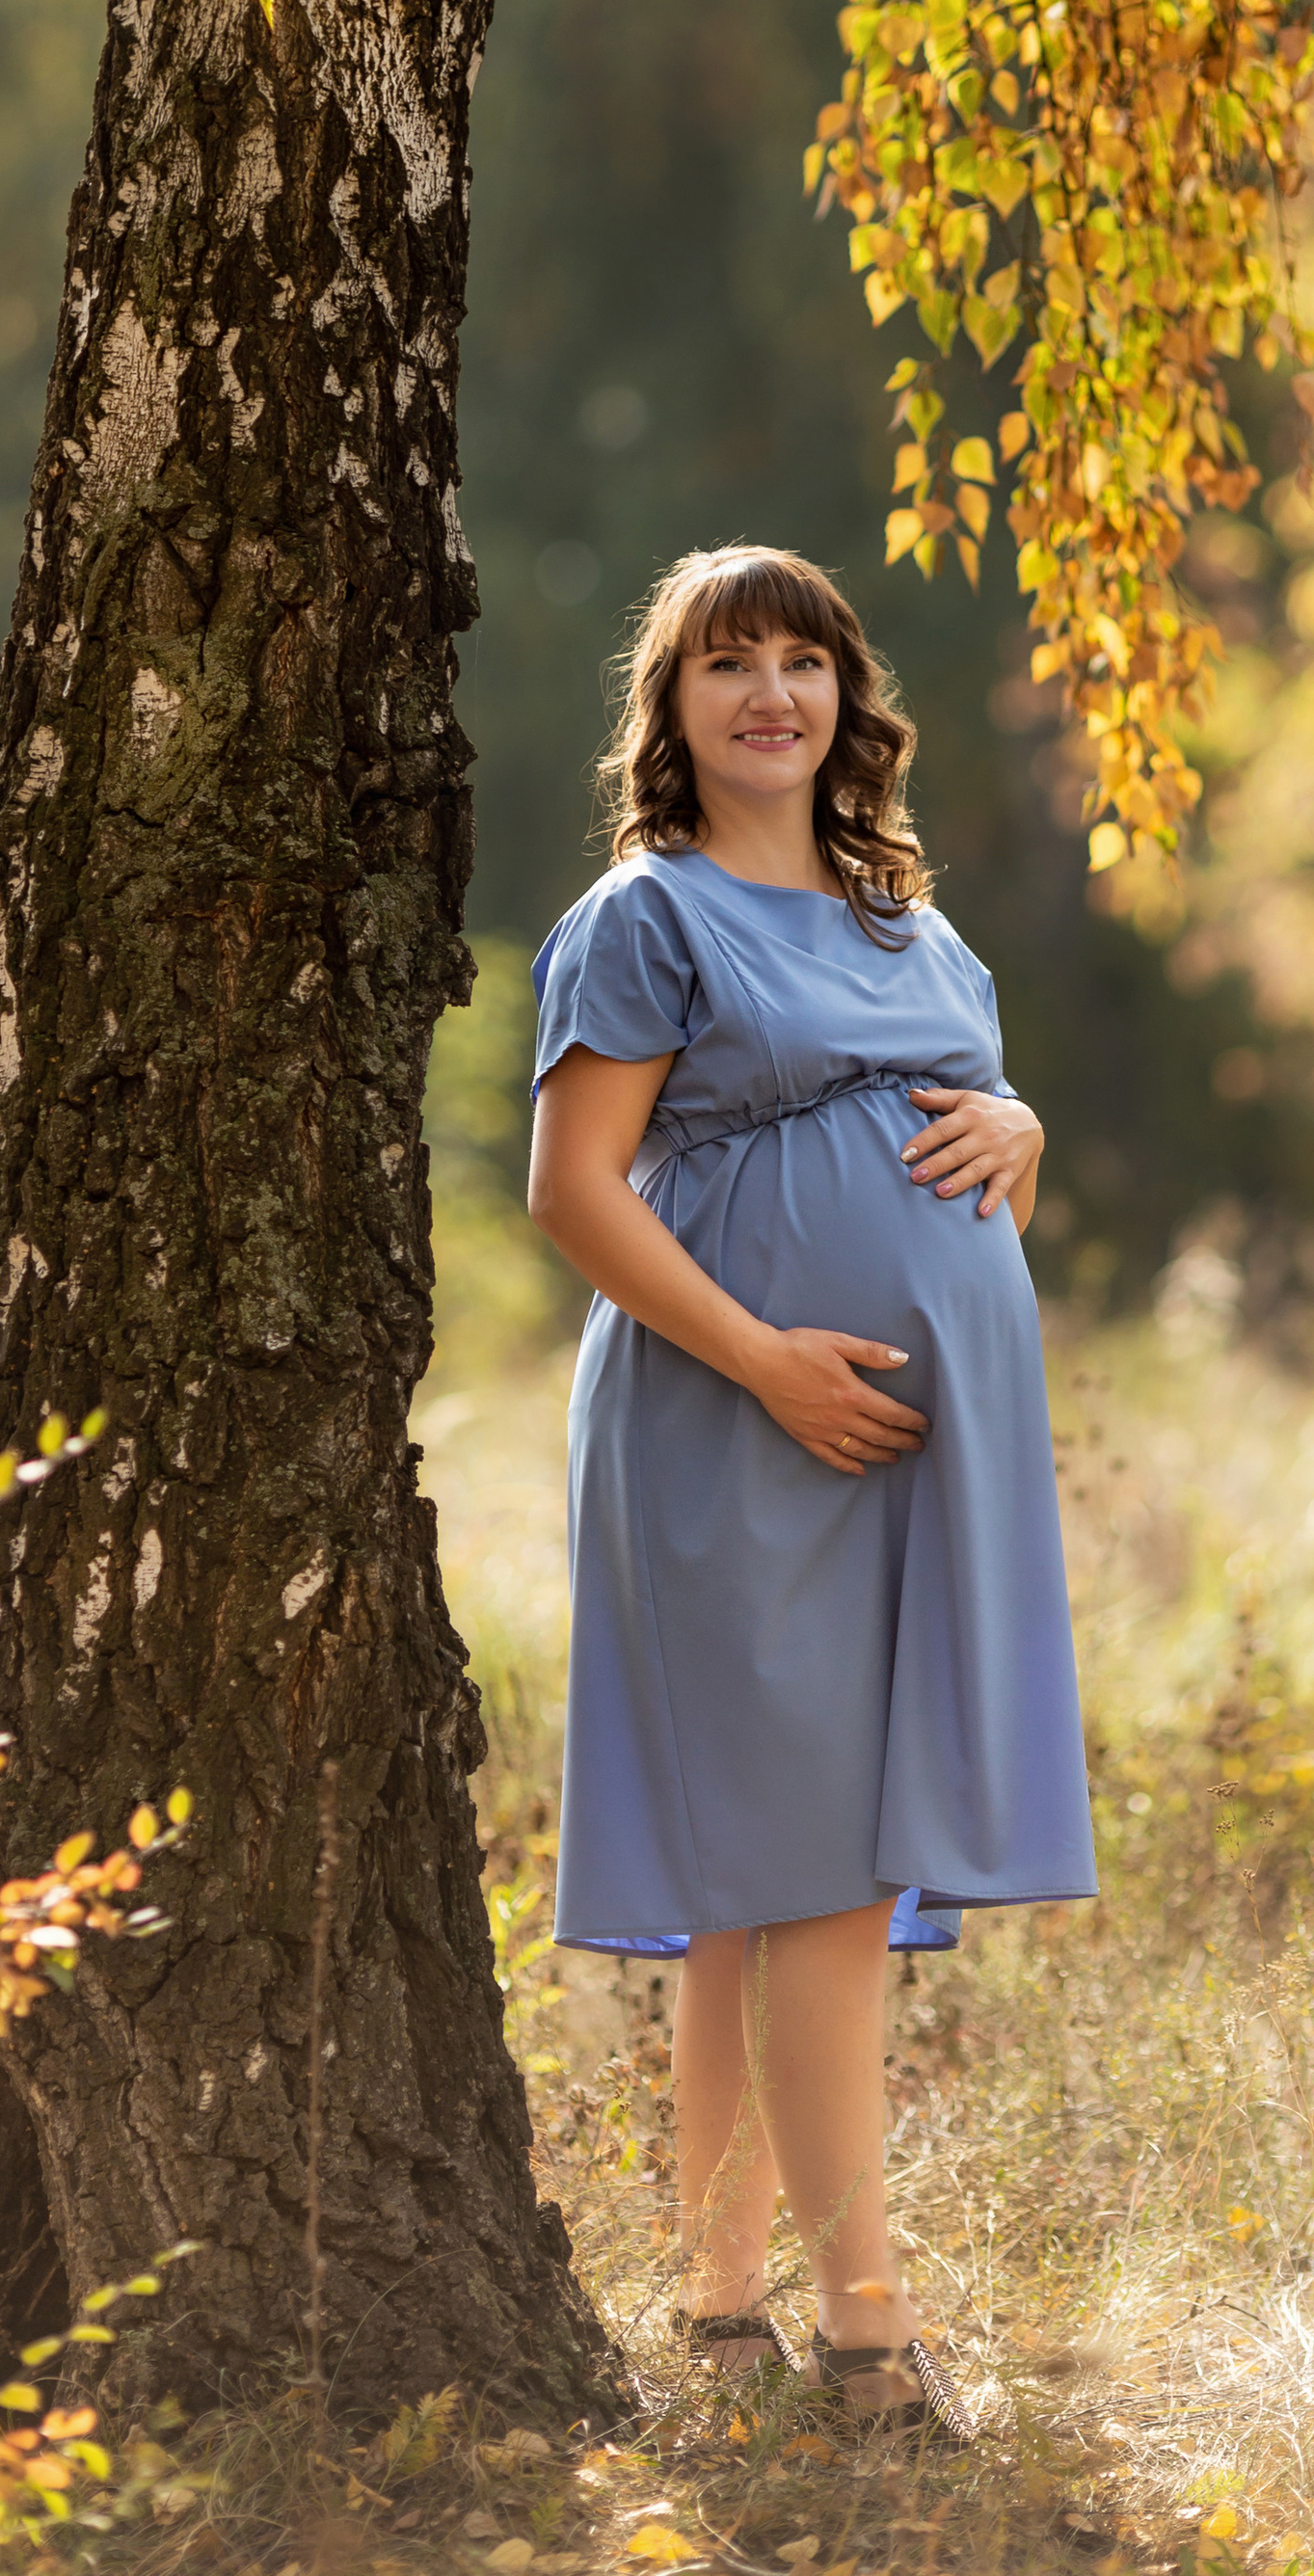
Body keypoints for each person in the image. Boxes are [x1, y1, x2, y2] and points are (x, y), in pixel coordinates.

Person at [526, 542, 1095, 2438]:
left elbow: (965, 1124)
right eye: (723, 663)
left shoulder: (902, 920)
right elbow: (575, 1191)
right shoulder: (645, 917)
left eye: (799, 661)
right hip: (730, 1424)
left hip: (911, 1459)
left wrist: (1017, 1120)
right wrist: (764, 1357)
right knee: (814, 1874)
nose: (767, 694)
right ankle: (866, 2335)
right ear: (669, 708)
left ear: (846, 697)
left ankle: (713, 2319)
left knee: (765, 1895)